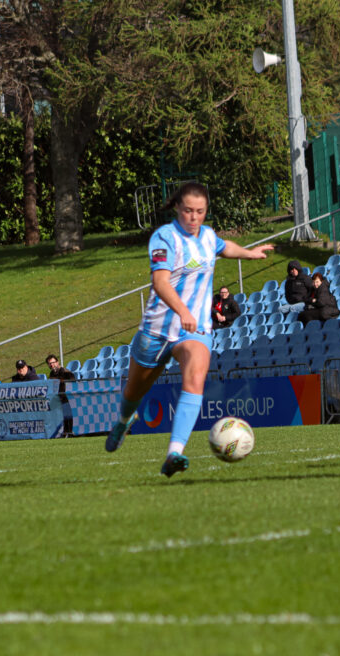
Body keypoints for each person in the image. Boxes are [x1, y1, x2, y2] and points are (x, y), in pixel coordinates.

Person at [103, 182, 274, 477]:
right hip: (158, 328)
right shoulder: (164, 238)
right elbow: (160, 282)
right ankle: (124, 421)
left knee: (195, 378)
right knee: (134, 390)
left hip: (194, 329)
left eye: (200, 211)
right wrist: (182, 310)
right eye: (188, 211)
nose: (194, 217)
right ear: (177, 209)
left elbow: (224, 247)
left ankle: (174, 454)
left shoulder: (207, 236)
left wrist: (250, 253)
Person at [46, 353, 76, 435]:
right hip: (58, 398)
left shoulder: (66, 372)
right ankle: (65, 432)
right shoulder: (52, 374)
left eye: (53, 362)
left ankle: (69, 432)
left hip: (67, 397)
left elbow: (73, 381)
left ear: (57, 362)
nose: (52, 365)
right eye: (50, 363)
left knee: (68, 416)